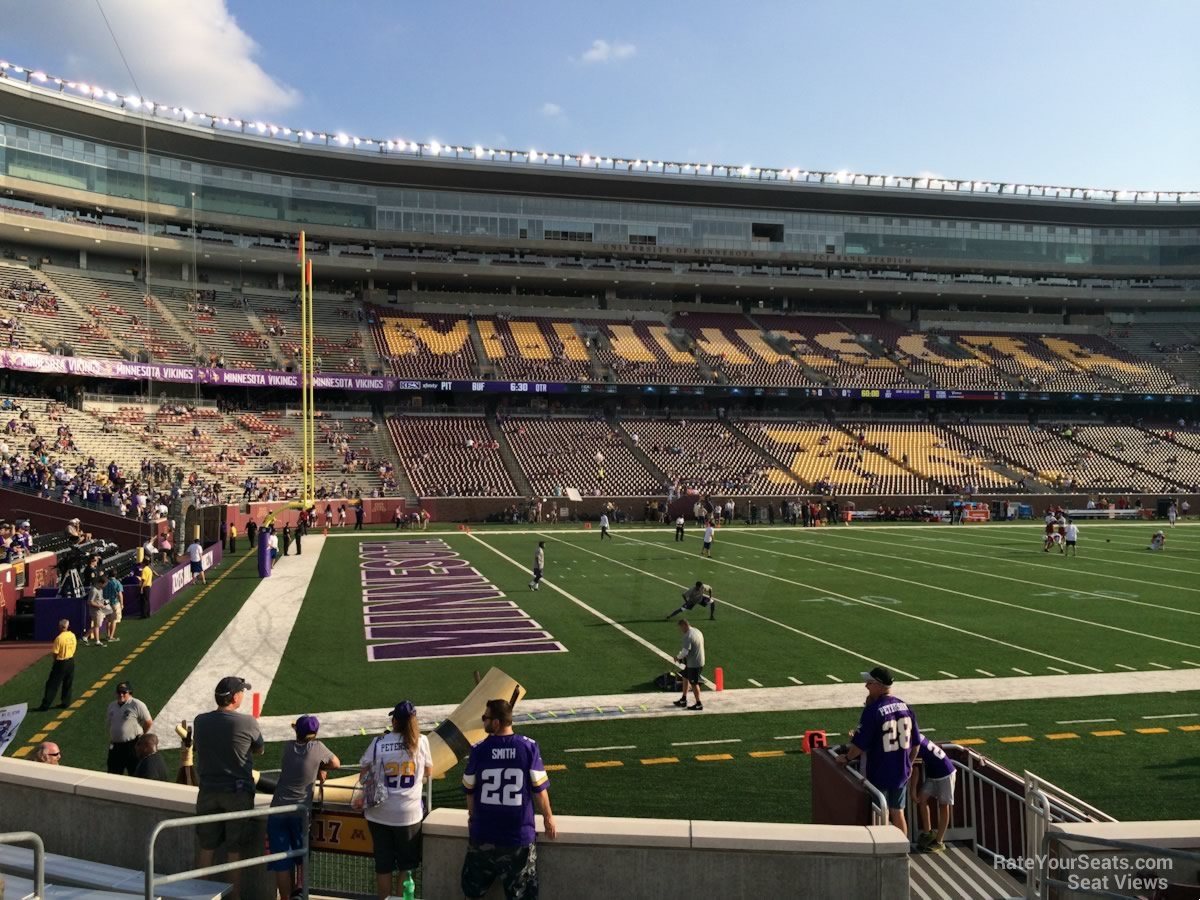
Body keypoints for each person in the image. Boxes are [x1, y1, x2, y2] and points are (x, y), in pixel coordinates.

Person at [462, 698, 556, 900]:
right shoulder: (528, 747)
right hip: (517, 837)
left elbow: (469, 789)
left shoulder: (479, 750)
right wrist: (548, 818)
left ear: (496, 723)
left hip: (483, 835)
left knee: (473, 893)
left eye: (485, 718)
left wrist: (472, 817)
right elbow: (540, 790)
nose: (483, 721)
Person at [193, 676, 264, 900]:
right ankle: (235, 897)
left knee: (206, 847)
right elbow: (259, 750)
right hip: (237, 792)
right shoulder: (247, 722)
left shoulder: (200, 720)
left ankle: (198, 896)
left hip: (207, 790)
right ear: (234, 697)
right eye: (242, 692)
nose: (243, 695)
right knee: (234, 850)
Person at [360, 701, 431, 900]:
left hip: (379, 812)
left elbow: (363, 774)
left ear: (394, 720)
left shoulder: (378, 742)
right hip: (408, 814)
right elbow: (428, 772)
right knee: (407, 867)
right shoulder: (422, 741)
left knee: (383, 865)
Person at [837, 667, 918, 835]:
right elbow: (916, 743)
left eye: (870, 683)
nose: (866, 686)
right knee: (898, 812)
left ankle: (884, 853)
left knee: (881, 813)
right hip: (901, 770)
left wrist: (846, 758)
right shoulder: (906, 706)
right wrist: (908, 764)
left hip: (880, 769)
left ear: (879, 685)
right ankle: (903, 852)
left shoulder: (873, 710)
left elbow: (859, 745)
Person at [271, 715, 340, 900]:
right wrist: (319, 767)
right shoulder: (317, 748)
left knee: (281, 862)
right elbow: (336, 763)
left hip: (277, 809)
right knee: (301, 857)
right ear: (315, 733)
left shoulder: (288, 747)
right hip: (299, 812)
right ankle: (300, 894)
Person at [913, 734, 956, 853]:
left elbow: (915, 768)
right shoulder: (916, 736)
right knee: (922, 799)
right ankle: (928, 833)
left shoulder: (912, 741)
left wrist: (912, 791)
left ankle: (939, 841)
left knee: (944, 805)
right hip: (934, 773)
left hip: (945, 772)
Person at [105, 680, 153, 775]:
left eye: (124, 692)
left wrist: (142, 735)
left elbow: (148, 722)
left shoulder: (137, 704)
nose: (121, 694)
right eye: (119, 692)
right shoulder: (112, 706)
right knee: (113, 773)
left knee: (135, 772)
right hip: (116, 746)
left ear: (130, 693)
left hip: (132, 745)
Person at [36, 618, 76, 711]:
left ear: (60, 627)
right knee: (68, 683)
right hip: (71, 661)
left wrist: (55, 661)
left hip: (61, 662)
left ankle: (45, 705)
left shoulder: (59, 638)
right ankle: (66, 702)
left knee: (52, 684)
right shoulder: (72, 635)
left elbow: (55, 652)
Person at [673, 619, 705, 711]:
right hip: (697, 660)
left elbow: (685, 652)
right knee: (685, 677)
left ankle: (699, 704)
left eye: (680, 628)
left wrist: (678, 657)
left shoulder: (688, 636)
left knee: (694, 683)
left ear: (684, 625)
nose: (681, 630)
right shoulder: (696, 631)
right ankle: (683, 699)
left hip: (694, 663)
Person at [104, 570, 124, 642]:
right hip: (114, 602)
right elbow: (120, 594)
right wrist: (122, 604)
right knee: (114, 620)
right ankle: (111, 637)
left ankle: (108, 635)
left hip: (106, 603)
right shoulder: (117, 582)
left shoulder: (106, 582)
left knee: (108, 620)